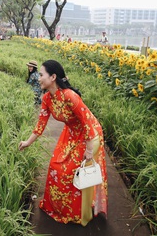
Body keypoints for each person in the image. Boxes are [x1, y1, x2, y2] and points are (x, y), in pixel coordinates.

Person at [18, 60, 107, 227]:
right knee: (55, 166)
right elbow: (40, 125)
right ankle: (60, 208)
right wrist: (27, 142)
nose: (38, 78)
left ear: (53, 77)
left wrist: (89, 150)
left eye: (41, 75)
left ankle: (78, 212)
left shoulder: (70, 96)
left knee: (72, 171)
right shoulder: (47, 99)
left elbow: (87, 122)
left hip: (89, 134)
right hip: (71, 133)